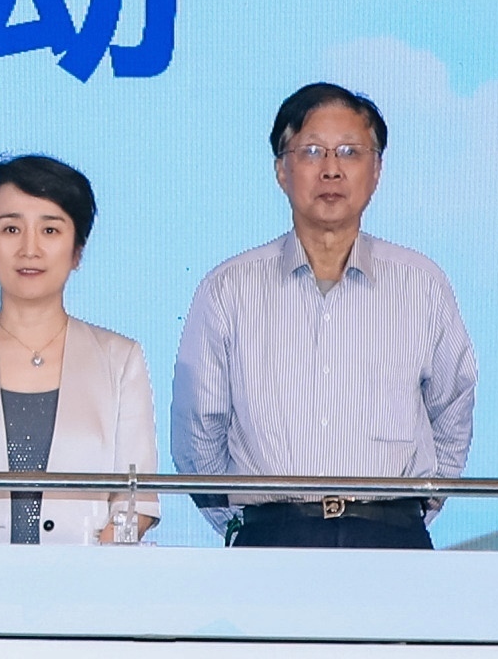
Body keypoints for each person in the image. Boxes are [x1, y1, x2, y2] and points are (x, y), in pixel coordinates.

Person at [172, 82, 475, 549]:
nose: (331, 169)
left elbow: (452, 410)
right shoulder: (229, 288)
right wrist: (244, 520)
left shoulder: (422, 284)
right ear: (281, 169)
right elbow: (199, 428)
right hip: (273, 535)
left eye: (350, 152)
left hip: (390, 536)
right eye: (312, 151)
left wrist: (411, 510)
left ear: (376, 170)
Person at [0, 152, 157, 547]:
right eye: (11, 229)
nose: (30, 249)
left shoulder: (121, 360)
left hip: (90, 580)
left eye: (50, 230)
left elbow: (137, 500)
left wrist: (91, 574)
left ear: (77, 250)